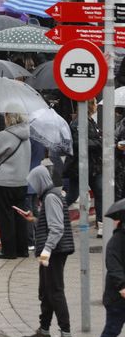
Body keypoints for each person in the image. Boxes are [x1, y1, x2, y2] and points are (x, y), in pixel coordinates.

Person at [18, 166, 76, 337]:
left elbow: (57, 227)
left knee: (55, 291)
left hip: (54, 252)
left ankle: (65, 334)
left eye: (34, 183)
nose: (33, 188)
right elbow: (51, 223)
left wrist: (47, 250)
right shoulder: (52, 195)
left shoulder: (50, 198)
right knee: (46, 290)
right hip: (54, 250)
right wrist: (34, 219)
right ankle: (44, 331)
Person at [0, 113, 31, 259]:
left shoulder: (6, 135)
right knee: (20, 216)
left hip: (5, 181)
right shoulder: (27, 135)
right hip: (22, 180)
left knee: (6, 217)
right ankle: (22, 249)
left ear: (9, 118)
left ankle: (9, 250)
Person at [66, 98, 103, 235]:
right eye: (94, 103)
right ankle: (52, 217)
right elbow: (79, 143)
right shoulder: (78, 122)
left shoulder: (90, 121)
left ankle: (101, 225)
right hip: (80, 166)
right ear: (89, 105)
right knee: (72, 195)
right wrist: (99, 143)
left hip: (93, 166)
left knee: (99, 193)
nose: (96, 106)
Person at [97, 207, 125, 337]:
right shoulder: (117, 240)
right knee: (112, 330)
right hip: (117, 297)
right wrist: (122, 286)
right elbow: (113, 265)